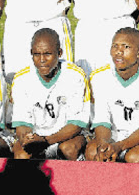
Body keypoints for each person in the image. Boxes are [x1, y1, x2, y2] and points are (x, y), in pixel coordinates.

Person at [11, 28, 90, 160]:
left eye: (47, 54)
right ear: (31, 53)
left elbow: (76, 124)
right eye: (36, 54)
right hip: (37, 137)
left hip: (66, 136)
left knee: (69, 149)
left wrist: (46, 140)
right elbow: (22, 122)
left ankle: (72, 179)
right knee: (22, 154)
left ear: (59, 53)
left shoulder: (75, 75)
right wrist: (27, 138)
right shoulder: (21, 78)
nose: (42, 60)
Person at [86, 28, 139, 163]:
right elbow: (101, 119)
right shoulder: (99, 77)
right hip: (112, 136)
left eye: (126, 47)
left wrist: (120, 146)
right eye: (114, 46)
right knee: (94, 151)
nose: (118, 52)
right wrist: (105, 144)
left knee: (135, 157)